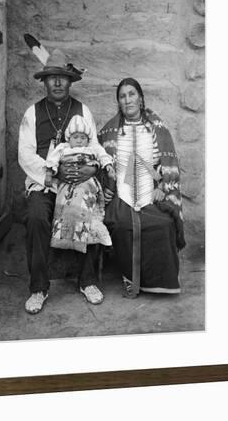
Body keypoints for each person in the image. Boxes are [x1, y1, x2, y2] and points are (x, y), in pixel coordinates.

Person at [19, 35, 105, 314]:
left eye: (62, 78)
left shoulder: (83, 111)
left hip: (79, 181)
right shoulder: (32, 113)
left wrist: (90, 169)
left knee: (90, 212)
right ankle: (39, 288)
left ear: (70, 81)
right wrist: (49, 177)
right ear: (44, 81)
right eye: (51, 77)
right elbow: (25, 153)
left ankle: (88, 281)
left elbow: (94, 147)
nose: (57, 82)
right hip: (45, 184)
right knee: (35, 216)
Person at [98, 77, 186, 298]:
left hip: (151, 190)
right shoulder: (109, 132)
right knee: (121, 224)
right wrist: (107, 186)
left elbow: (168, 164)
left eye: (131, 94)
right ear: (118, 102)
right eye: (122, 96)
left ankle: (160, 279)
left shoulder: (158, 129)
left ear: (140, 98)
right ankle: (130, 276)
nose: (127, 100)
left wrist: (163, 187)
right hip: (122, 192)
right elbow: (99, 163)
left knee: (164, 223)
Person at [45, 114, 114, 253]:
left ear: (87, 139)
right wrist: (49, 173)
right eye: (75, 137)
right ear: (69, 138)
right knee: (66, 206)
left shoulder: (91, 148)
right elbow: (52, 159)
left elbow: (102, 155)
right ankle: (64, 236)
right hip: (67, 183)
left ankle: (91, 232)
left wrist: (108, 166)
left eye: (83, 138)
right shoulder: (63, 147)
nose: (79, 141)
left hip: (86, 183)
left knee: (85, 206)